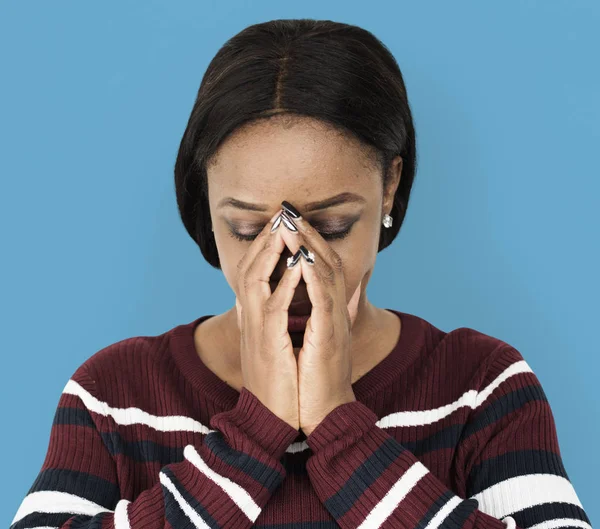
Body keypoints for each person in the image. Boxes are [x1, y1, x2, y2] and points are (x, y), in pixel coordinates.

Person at [9, 18, 592, 529]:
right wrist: (251, 434)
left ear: (389, 185)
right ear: (204, 199)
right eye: (245, 228)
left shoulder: (480, 387)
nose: (290, 262)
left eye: (331, 225)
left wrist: (341, 426)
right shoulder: (115, 395)